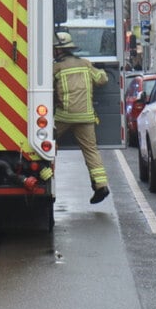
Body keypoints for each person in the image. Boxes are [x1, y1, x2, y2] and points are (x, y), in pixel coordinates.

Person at [53, 31, 110, 204]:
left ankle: (44, 176)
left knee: (46, 145)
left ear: (58, 50)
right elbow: (103, 79)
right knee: (91, 150)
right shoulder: (85, 64)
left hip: (64, 116)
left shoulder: (56, 67)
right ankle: (101, 185)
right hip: (86, 116)